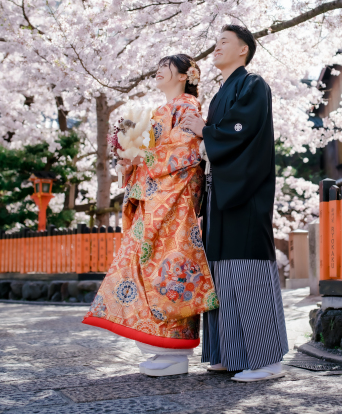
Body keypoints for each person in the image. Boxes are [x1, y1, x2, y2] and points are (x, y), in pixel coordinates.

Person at [82, 54, 218, 377]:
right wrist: (127, 157)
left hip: (172, 203)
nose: (158, 71)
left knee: (169, 270)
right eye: (157, 66)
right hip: (150, 199)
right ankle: (155, 348)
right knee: (138, 267)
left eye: (167, 66)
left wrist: (143, 156)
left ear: (186, 75)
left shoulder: (187, 107)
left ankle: (172, 351)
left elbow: (185, 151)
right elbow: (147, 155)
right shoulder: (156, 112)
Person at [180, 25, 288, 383]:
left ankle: (266, 359)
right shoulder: (221, 94)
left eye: (224, 41)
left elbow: (242, 130)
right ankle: (231, 353)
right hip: (220, 191)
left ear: (243, 50)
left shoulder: (253, 85)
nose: (217, 47)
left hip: (245, 191)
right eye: (216, 42)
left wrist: (205, 131)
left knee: (247, 270)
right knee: (221, 273)